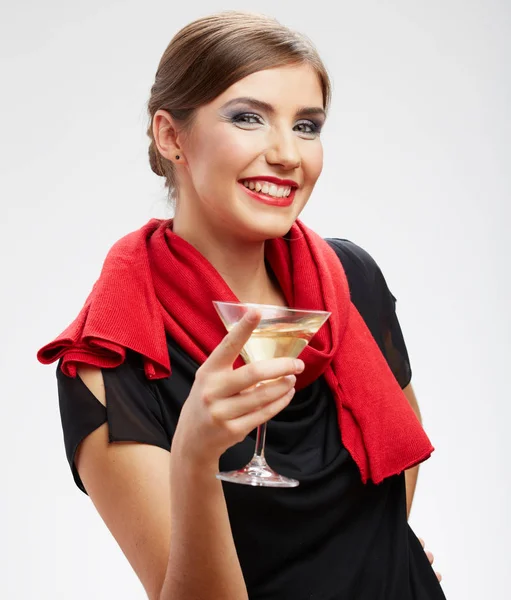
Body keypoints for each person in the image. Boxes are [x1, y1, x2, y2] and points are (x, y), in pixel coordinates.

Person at [37, 10, 446, 600]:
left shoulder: (351, 278)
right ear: (171, 136)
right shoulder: (112, 356)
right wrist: (196, 456)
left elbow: (400, 460)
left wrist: (378, 560)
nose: (287, 154)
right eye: (248, 118)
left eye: (307, 126)